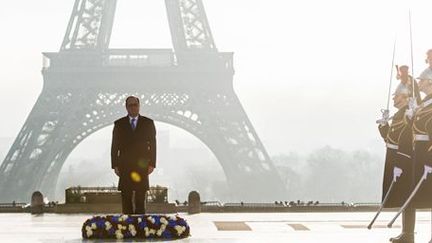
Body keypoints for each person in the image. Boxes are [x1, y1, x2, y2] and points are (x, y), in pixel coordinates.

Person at [378, 83, 416, 243]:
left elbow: (407, 139)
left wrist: (412, 116)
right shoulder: (400, 114)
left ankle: (408, 234)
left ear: (405, 98)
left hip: (404, 160)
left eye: (397, 95)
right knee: (405, 198)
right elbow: (390, 139)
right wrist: (384, 124)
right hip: (395, 158)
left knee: (409, 198)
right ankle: (406, 233)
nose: (394, 97)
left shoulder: (407, 114)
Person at [111, 95, 157, 214]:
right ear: (126, 107)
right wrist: (115, 165)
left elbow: (153, 144)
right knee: (126, 197)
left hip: (142, 165)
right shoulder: (119, 124)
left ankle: (140, 226)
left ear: (139, 106)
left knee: (140, 197)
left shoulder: (148, 123)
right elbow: (114, 146)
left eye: (135, 105)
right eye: (130, 105)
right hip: (125, 165)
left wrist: (152, 164)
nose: (133, 107)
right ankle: (127, 227)